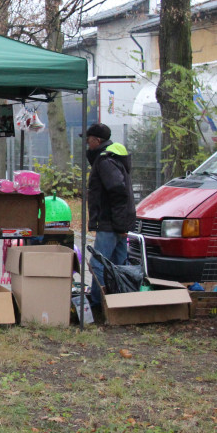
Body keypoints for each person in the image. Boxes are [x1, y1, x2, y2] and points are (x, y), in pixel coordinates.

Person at [84, 122, 136, 308]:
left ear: (97, 141)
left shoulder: (105, 161)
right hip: (118, 222)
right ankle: (119, 303)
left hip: (110, 223)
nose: (87, 145)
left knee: (99, 265)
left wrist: (120, 225)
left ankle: (99, 304)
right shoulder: (113, 158)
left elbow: (118, 191)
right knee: (119, 265)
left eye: (89, 141)